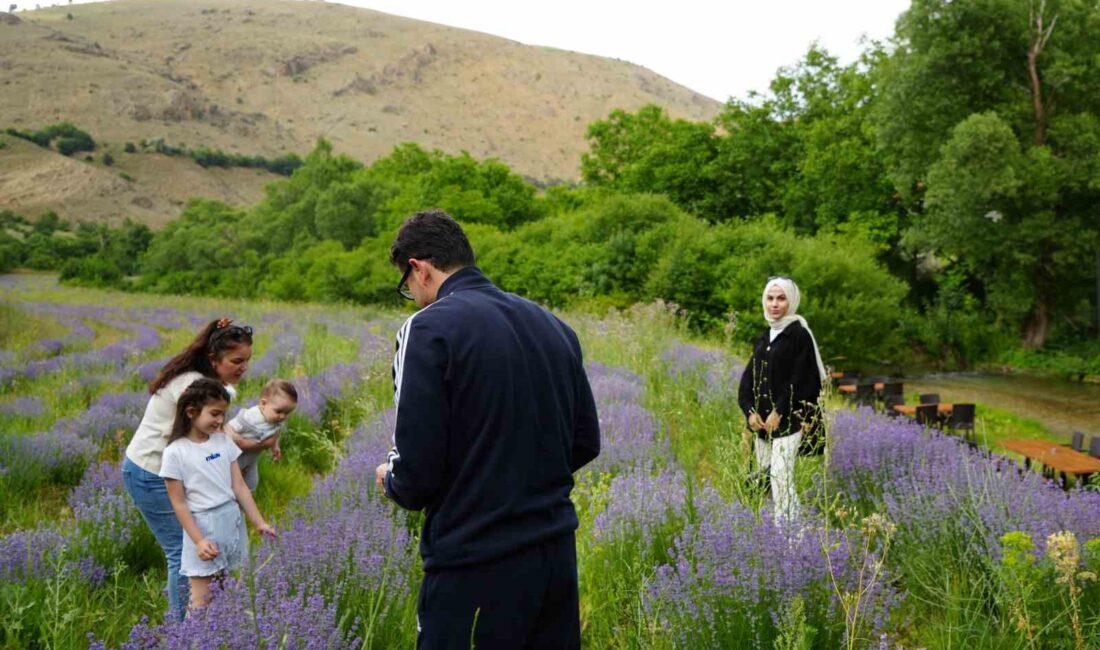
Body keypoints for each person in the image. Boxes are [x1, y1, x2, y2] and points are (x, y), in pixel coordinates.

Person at [373, 209, 600, 650]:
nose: (413, 298)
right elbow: (585, 442)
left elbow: (417, 476)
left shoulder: (427, 328)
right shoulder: (553, 326)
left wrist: (390, 480)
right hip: (554, 554)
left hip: (473, 559)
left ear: (418, 268)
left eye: (407, 287)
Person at [121, 318, 254, 622]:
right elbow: (213, 436)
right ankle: (185, 632)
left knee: (206, 545)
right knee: (184, 554)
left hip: (176, 474)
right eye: (236, 360)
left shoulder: (209, 385)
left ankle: (208, 621)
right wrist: (257, 443)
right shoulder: (190, 386)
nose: (243, 367)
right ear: (213, 359)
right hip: (150, 473)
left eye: (247, 360)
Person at [159, 378, 275, 612]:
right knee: (201, 603)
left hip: (231, 523)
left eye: (223, 414)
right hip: (203, 529)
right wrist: (199, 541)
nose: (221, 420)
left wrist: (259, 522)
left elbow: (240, 487)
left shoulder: (223, 441)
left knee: (225, 593)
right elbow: (179, 503)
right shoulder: (175, 452)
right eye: (214, 414)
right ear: (192, 412)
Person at [737, 277, 826, 523]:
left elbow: (803, 380)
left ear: (791, 301)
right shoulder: (765, 336)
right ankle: (771, 538)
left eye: (781, 298)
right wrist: (750, 412)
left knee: (780, 477)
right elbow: (748, 380)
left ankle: (791, 539)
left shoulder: (799, 335)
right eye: (770, 298)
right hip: (763, 425)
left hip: (790, 421)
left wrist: (779, 411)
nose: (775, 304)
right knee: (764, 481)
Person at [225, 378, 296, 492]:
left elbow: (276, 431)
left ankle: (242, 505)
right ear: (263, 404)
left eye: (287, 413)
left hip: (251, 460)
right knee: (230, 486)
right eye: (278, 412)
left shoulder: (276, 420)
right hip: (235, 460)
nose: (282, 417)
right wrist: (233, 435)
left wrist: (275, 446)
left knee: (251, 485)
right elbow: (228, 427)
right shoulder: (250, 417)